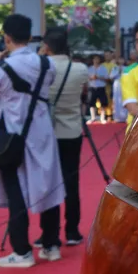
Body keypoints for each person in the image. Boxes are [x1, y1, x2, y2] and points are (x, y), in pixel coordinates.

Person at [0, 14, 64, 268]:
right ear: (30, 35)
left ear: (6, 38)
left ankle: (22, 251)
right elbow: (47, 85)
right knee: (49, 186)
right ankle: (51, 245)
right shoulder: (47, 64)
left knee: (16, 191)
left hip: (13, 136)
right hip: (42, 132)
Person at [41, 28, 91, 246]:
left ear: (48, 47)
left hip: (48, 132)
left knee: (48, 183)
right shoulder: (80, 68)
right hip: (72, 131)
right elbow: (84, 94)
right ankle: (72, 230)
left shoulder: (43, 67)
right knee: (72, 182)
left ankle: (48, 233)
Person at [86, 55, 110, 123]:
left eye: (97, 59)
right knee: (91, 103)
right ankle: (93, 117)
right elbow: (86, 78)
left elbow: (107, 78)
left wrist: (98, 77)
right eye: (95, 59)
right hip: (92, 87)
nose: (96, 61)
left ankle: (102, 118)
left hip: (101, 87)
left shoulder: (103, 68)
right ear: (93, 60)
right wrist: (91, 77)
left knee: (103, 102)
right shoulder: (90, 68)